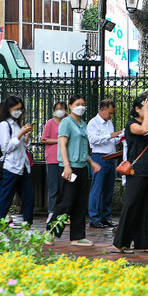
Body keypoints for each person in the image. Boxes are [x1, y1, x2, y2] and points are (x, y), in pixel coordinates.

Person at [112, 94, 148, 254]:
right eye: (147, 104)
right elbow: (143, 129)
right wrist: (147, 114)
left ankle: (146, 243)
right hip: (136, 171)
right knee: (131, 205)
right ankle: (120, 242)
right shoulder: (131, 124)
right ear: (137, 109)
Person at [47, 94, 101, 246]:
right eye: (77, 104)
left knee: (80, 203)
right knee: (66, 201)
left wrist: (91, 162)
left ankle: (77, 236)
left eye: (83, 104)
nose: (81, 106)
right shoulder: (66, 122)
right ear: (70, 106)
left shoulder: (83, 124)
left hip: (82, 167)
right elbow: (62, 145)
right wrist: (67, 166)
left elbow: (83, 148)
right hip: (69, 169)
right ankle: (50, 232)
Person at [0, 96, 35, 225]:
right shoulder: (4, 125)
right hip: (10, 167)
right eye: (16, 109)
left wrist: (26, 135)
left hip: (22, 166)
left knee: (29, 199)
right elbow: (6, 147)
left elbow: (23, 145)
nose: (18, 111)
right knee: (5, 200)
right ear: (9, 108)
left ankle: (27, 226)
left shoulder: (17, 124)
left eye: (20, 109)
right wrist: (20, 134)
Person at [87, 99, 121, 229]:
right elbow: (93, 140)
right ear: (102, 110)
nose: (111, 115)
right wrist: (111, 135)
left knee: (108, 189)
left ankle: (106, 217)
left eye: (112, 113)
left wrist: (119, 137)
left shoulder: (109, 123)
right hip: (99, 157)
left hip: (111, 157)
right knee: (97, 188)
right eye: (110, 113)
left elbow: (111, 140)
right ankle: (94, 218)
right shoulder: (93, 123)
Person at [41, 102, 67, 223]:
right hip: (52, 159)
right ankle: (51, 212)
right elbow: (44, 139)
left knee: (64, 187)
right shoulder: (50, 123)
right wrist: (59, 140)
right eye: (57, 109)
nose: (60, 111)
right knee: (53, 187)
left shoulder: (67, 123)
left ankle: (62, 213)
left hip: (65, 159)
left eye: (62, 109)